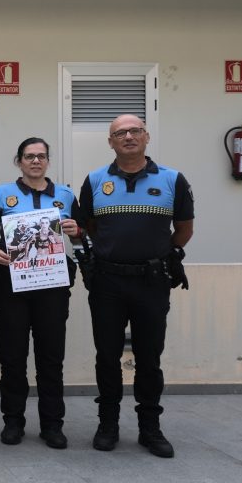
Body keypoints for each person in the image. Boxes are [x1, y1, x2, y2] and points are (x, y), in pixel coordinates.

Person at [80, 114, 194, 458]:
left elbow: (184, 229)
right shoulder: (96, 180)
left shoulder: (172, 180)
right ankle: (108, 425)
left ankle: (150, 428)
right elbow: (89, 228)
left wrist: (162, 255)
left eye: (135, 131)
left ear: (146, 137)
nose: (128, 137)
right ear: (111, 142)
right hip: (107, 282)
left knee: (149, 357)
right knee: (107, 356)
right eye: (120, 133)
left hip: (151, 282)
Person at [0, 137, 82, 449]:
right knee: (12, 356)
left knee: (51, 357)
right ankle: (13, 421)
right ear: (19, 161)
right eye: (28, 156)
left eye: (41, 156)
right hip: (11, 285)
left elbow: (81, 238)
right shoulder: (3, 194)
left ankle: (52, 425)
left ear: (48, 161)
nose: (35, 161)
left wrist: (78, 232)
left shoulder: (64, 194)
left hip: (52, 285)